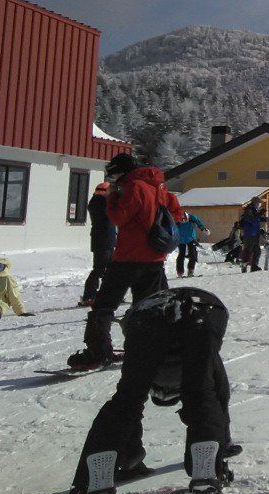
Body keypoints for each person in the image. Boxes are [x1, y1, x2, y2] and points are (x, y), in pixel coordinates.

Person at [69, 287, 240, 494]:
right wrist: (222, 445)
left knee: (127, 400)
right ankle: (205, 474)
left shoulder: (150, 366)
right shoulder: (211, 369)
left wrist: (130, 458)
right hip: (205, 309)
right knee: (201, 391)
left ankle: (94, 485)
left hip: (147, 316)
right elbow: (219, 396)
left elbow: (130, 406)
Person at [68, 153, 184, 370]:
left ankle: (98, 353)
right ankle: (148, 349)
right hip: (155, 257)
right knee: (148, 307)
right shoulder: (159, 187)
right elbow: (177, 215)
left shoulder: (133, 186)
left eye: (113, 175)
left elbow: (118, 217)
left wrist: (111, 197)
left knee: (103, 307)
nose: (113, 180)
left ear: (120, 172)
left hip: (129, 257)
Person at [174, 210, 209, 278]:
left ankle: (191, 270)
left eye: (185, 220)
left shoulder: (192, 218)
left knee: (193, 254)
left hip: (191, 238)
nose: (183, 221)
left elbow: (199, 223)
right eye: (182, 221)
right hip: (181, 239)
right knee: (181, 254)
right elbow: (171, 228)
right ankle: (180, 272)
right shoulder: (175, 220)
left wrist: (204, 230)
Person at [238, 199, 264, 272]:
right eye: (259, 203)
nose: (260, 205)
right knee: (248, 250)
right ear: (255, 202)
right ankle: (244, 266)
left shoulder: (254, 210)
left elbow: (257, 220)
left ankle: (254, 266)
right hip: (250, 234)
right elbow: (253, 221)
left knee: (257, 250)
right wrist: (260, 215)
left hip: (255, 233)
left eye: (260, 203)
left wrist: (264, 219)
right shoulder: (249, 210)